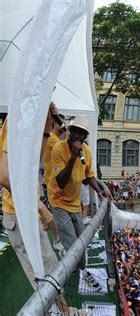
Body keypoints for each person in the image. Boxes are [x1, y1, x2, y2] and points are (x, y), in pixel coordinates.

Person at [0, 103, 67, 310]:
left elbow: (31, 166)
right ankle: (64, 312)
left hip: (25, 211)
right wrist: (39, 206)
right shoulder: (17, 120)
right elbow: (4, 175)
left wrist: (47, 126)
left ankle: (62, 311)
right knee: (45, 274)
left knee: (48, 273)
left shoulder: (32, 122)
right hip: (19, 213)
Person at [47, 114, 112, 288]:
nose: (77, 136)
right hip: (58, 201)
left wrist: (100, 190)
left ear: (84, 137)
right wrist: (73, 157)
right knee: (72, 241)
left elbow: (89, 176)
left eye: (81, 134)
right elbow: (61, 181)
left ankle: (77, 264)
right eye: (75, 132)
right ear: (69, 132)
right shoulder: (59, 149)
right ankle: (82, 271)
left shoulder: (87, 152)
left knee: (82, 240)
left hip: (74, 203)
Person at [42, 109, 67, 252]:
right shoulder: (52, 139)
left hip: (54, 181)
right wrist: (67, 132)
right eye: (61, 123)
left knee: (58, 212)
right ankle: (57, 240)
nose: (64, 125)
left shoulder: (55, 138)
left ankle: (59, 239)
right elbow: (66, 149)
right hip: (51, 182)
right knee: (55, 213)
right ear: (55, 124)